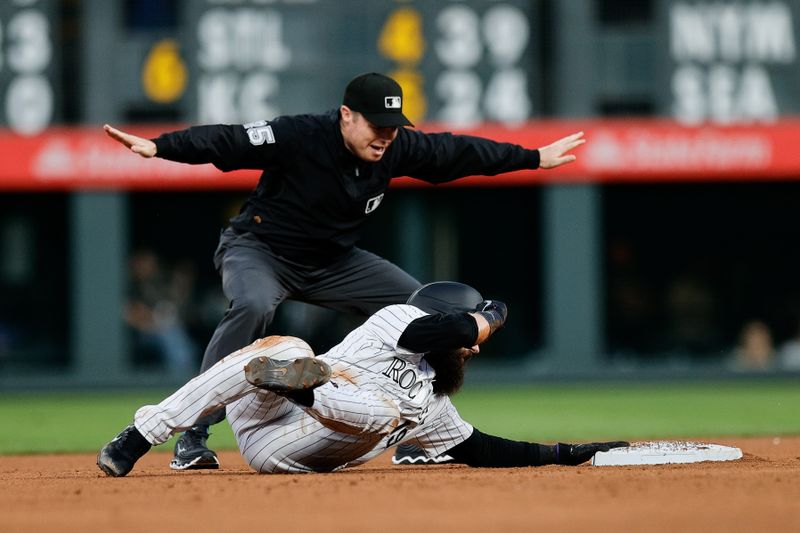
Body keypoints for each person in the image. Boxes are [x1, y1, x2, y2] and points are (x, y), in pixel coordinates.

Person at [103, 72, 586, 470]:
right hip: (261, 249)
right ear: (346, 116)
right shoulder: (302, 134)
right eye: (376, 124)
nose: (387, 134)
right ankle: (193, 434)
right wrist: (160, 146)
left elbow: (457, 152)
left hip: (334, 261)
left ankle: (421, 435)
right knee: (251, 305)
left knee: (424, 310)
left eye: (394, 124)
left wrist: (533, 158)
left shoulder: (395, 148)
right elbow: (230, 141)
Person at [97, 281, 627, 477]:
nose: (472, 349)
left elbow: (481, 448)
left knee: (389, 411)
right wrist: (490, 317)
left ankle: (301, 383)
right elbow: (450, 328)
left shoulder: (435, 401)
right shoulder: (399, 321)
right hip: (269, 409)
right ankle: (141, 434)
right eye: (467, 340)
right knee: (286, 348)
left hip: (291, 448)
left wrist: (559, 454)